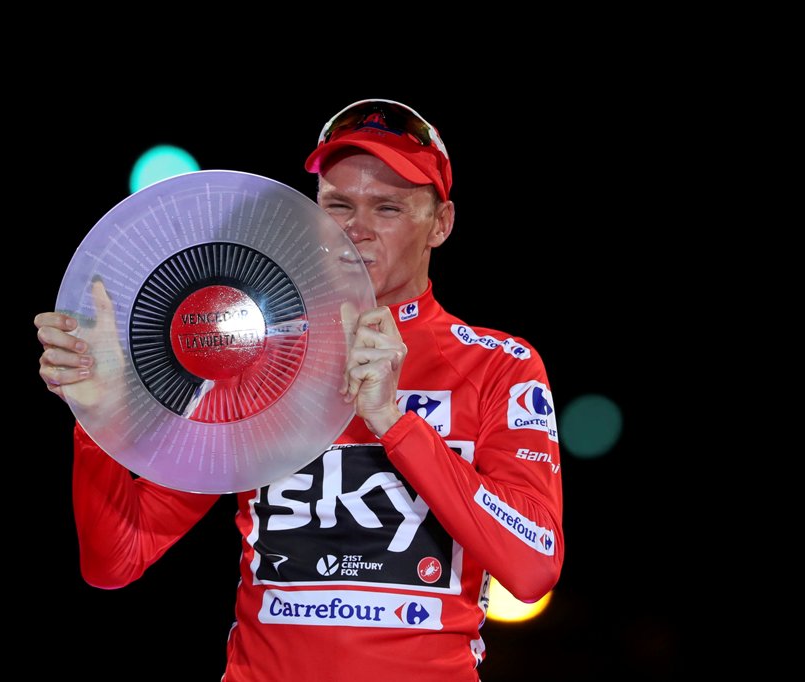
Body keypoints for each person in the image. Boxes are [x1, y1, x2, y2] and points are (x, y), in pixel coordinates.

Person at [34, 99, 564, 681]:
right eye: (338, 205)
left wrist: (393, 420)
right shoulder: (258, 357)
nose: (356, 228)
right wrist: (98, 421)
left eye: (387, 207)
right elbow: (117, 561)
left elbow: (534, 565)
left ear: (441, 224)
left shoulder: (496, 366)